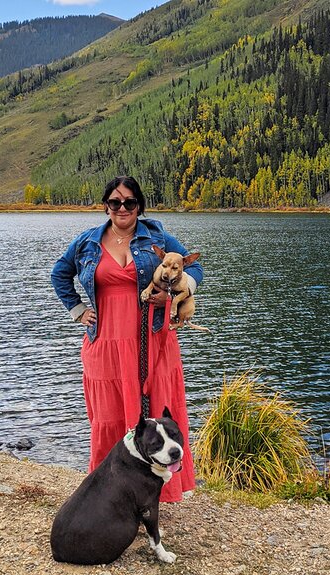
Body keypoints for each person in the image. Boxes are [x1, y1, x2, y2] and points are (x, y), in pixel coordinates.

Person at [51, 175, 203, 503]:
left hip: (152, 340)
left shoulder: (157, 236)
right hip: (105, 343)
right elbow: (59, 273)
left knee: (157, 418)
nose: (122, 208)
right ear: (106, 205)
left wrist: (182, 290)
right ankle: (110, 494)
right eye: (115, 202)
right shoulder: (87, 242)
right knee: (108, 420)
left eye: (129, 202)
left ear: (139, 206)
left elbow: (195, 266)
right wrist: (77, 309)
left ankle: (156, 494)